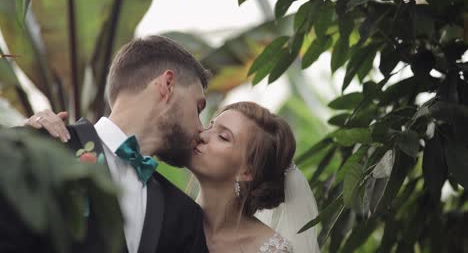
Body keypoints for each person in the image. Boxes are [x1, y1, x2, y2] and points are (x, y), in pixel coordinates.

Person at [28, 102, 321, 253]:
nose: (203, 135)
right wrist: (32, 132)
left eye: (223, 136)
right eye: (210, 125)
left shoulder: (271, 249)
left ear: (247, 172)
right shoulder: (158, 205)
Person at [23, 35, 211, 253]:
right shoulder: (40, 149)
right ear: (167, 84)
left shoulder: (185, 215)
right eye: (198, 108)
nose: (201, 128)